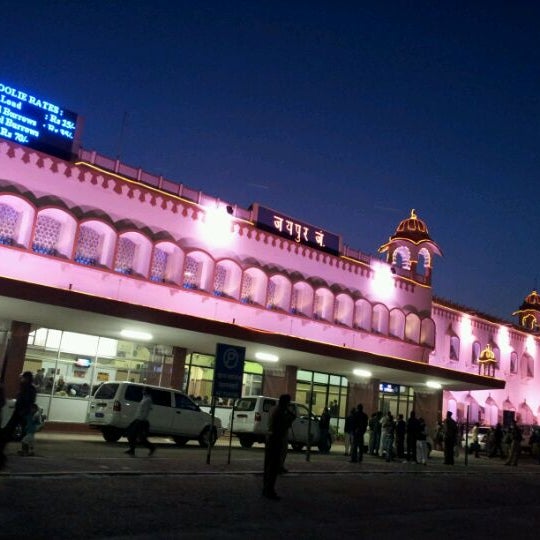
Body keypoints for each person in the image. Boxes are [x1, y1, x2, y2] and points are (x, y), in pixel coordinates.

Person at [0, 371, 37, 467]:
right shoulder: (25, 388)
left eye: (23, 378)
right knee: (10, 431)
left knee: (21, 432)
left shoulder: (29, 389)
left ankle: (26, 450)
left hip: (22, 413)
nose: (22, 379)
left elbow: (28, 401)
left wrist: (23, 411)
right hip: (19, 412)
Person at [263, 394, 296, 500]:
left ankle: (266, 489)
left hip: (271, 440)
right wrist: (289, 412)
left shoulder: (275, 410)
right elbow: (286, 423)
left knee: (268, 466)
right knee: (273, 467)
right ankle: (269, 491)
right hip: (276, 441)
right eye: (288, 402)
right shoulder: (280, 412)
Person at [125, 387, 156, 457]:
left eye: (144, 390)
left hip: (141, 421)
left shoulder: (148, 400)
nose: (142, 391)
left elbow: (146, 411)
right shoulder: (144, 398)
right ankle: (132, 449)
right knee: (131, 434)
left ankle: (151, 448)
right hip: (138, 419)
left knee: (137, 437)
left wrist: (140, 420)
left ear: (146, 391)